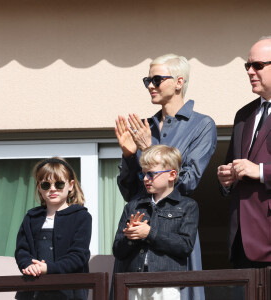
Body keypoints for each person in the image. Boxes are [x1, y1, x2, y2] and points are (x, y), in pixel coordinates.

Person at [115, 53, 217, 299]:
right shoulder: (144, 126)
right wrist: (129, 157)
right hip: (136, 240)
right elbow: (130, 192)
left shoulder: (202, 125)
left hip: (173, 240)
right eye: (147, 80)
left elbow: (187, 183)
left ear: (179, 82)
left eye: (157, 79)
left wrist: (148, 149)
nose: (150, 85)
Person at [113, 145, 199, 300]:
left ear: (172, 175)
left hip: (167, 282)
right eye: (143, 174)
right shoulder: (133, 206)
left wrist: (149, 233)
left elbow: (185, 245)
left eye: (151, 174)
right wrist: (130, 238)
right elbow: (118, 250)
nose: (146, 179)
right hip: (134, 281)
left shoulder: (187, 206)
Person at [217, 36, 271, 268]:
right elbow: (233, 164)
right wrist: (226, 178)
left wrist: (259, 171)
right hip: (242, 242)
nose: (250, 71)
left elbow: (255, 169)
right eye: (247, 65)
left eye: (257, 65)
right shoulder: (243, 115)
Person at [15, 157, 92, 300]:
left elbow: (79, 255)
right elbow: (22, 250)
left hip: (70, 293)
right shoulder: (31, 217)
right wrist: (29, 266)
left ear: (70, 185)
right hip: (32, 292)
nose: (52, 189)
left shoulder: (81, 216)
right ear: (39, 187)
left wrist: (48, 269)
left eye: (59, 184)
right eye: (46, 185)